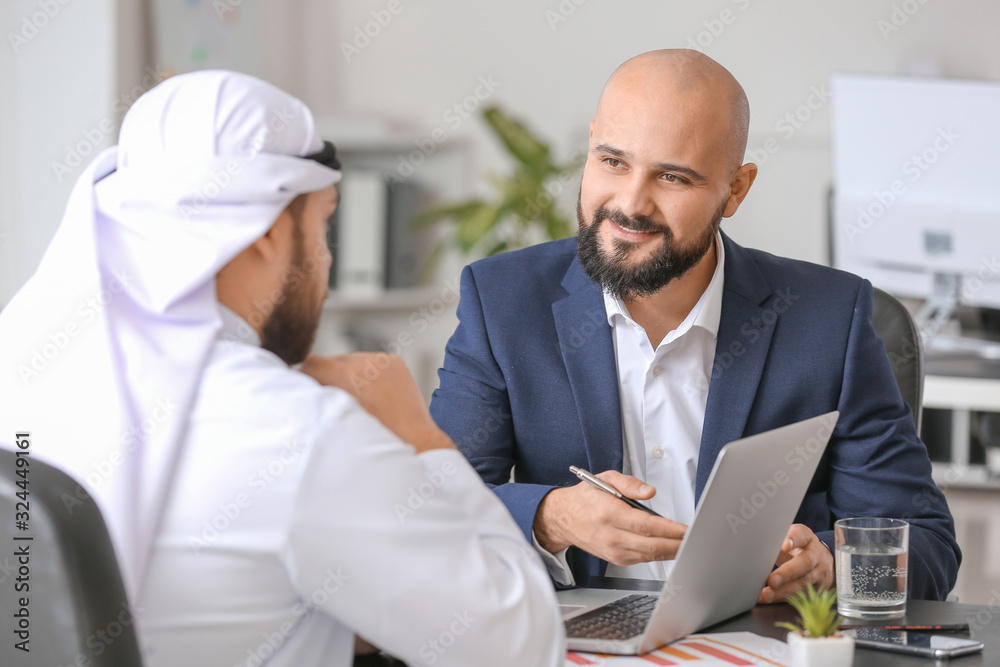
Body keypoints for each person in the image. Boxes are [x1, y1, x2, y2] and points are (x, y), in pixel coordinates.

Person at [0, 70, 564, 666]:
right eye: (323, 227)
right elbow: (519, 647)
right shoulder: (295, 428)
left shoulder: (25, 381)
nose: (325, 262)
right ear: (267, 233)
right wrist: (419, 436)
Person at [429, 49, 961, 603]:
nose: (631, 204)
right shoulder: (502, 302)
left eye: (672, 177)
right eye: (612, 161)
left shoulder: (831, 318)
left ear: (735, 189)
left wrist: (831, 568)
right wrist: (550, 518)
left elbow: (925, 547)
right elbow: (435, 510)